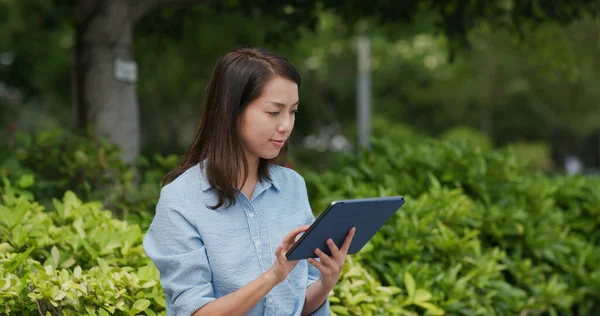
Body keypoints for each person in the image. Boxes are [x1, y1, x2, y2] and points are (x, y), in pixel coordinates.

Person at [143, 46, 356, 316]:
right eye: (273, 112)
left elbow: (297, 307)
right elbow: (195, 311)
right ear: (233, 112)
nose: (286, 125)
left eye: (293, 111)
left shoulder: (292, 186)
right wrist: (273, 276)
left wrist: (326, 282)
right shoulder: (182, 199)